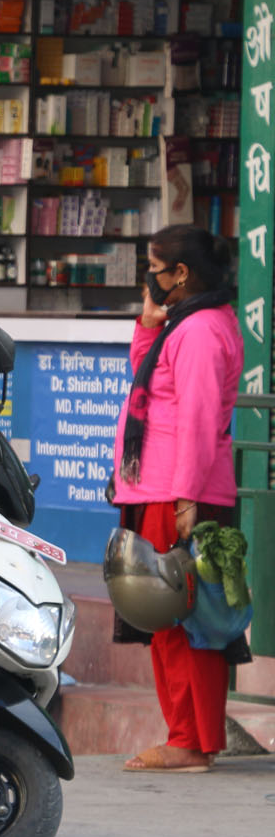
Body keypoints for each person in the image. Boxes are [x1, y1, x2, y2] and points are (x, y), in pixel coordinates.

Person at [110, 225, 245, 773]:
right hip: (162, 488)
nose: (149, 277)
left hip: (179, 493)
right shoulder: (185, 323)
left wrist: (186, 497)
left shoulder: (202, 331)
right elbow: (147, 382)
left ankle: (189, 740)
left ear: (181, 273)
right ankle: (186, 735)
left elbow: (197, 419)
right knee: (167, 618)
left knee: (183, 620)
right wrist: (148, 322)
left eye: (154, 268)